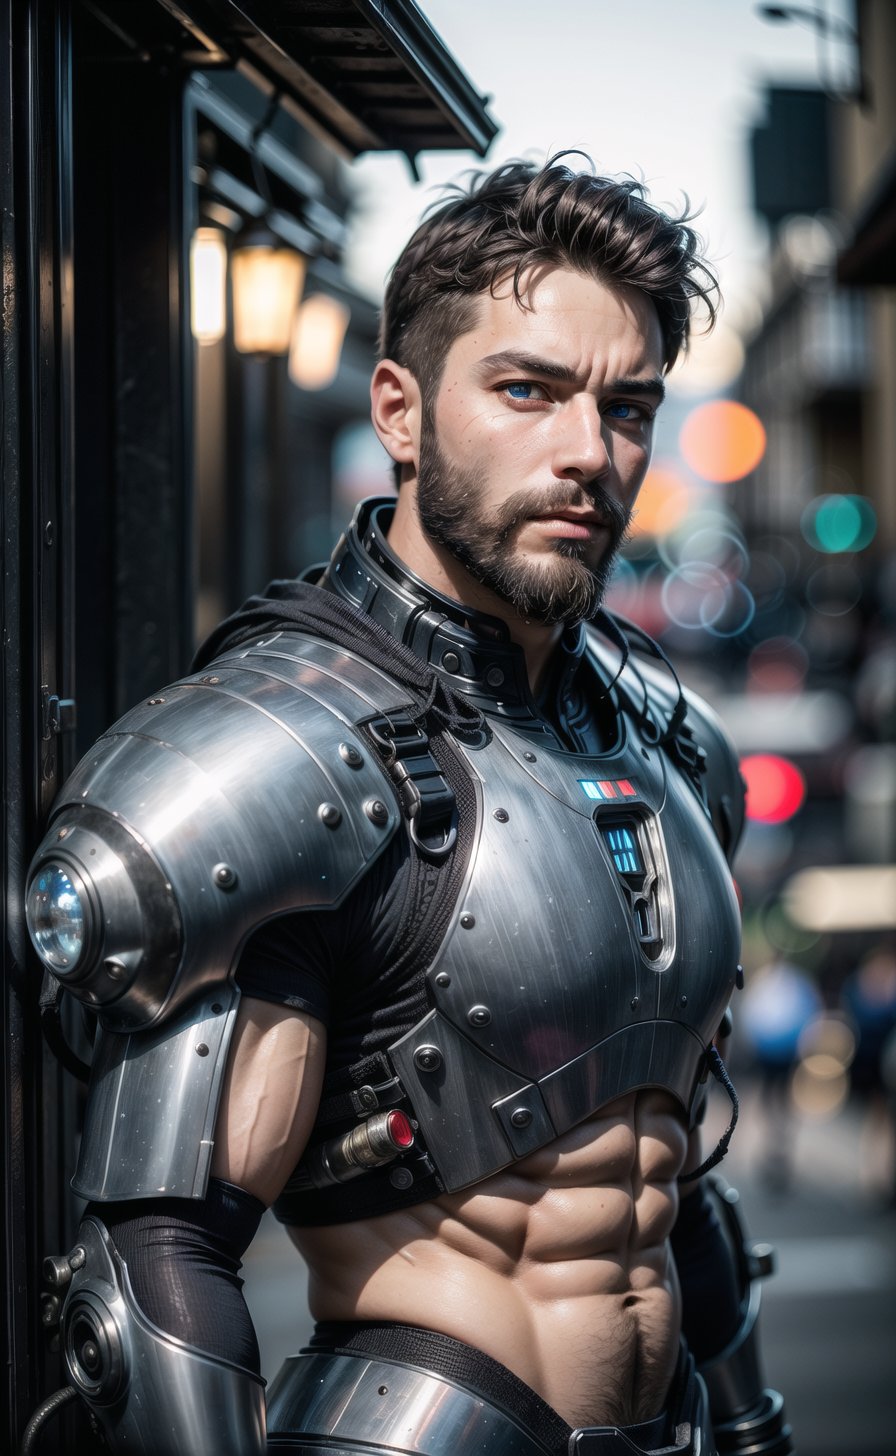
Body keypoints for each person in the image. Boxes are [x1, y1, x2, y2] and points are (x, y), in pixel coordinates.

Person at [25, 158, 792, 1456]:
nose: (586, 454)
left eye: (628, 407)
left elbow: (671, 1182)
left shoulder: (671, 742)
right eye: (526, 390)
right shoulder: (277, 761)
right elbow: (155, 1258)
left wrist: (751, 1421)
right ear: (400, 407)